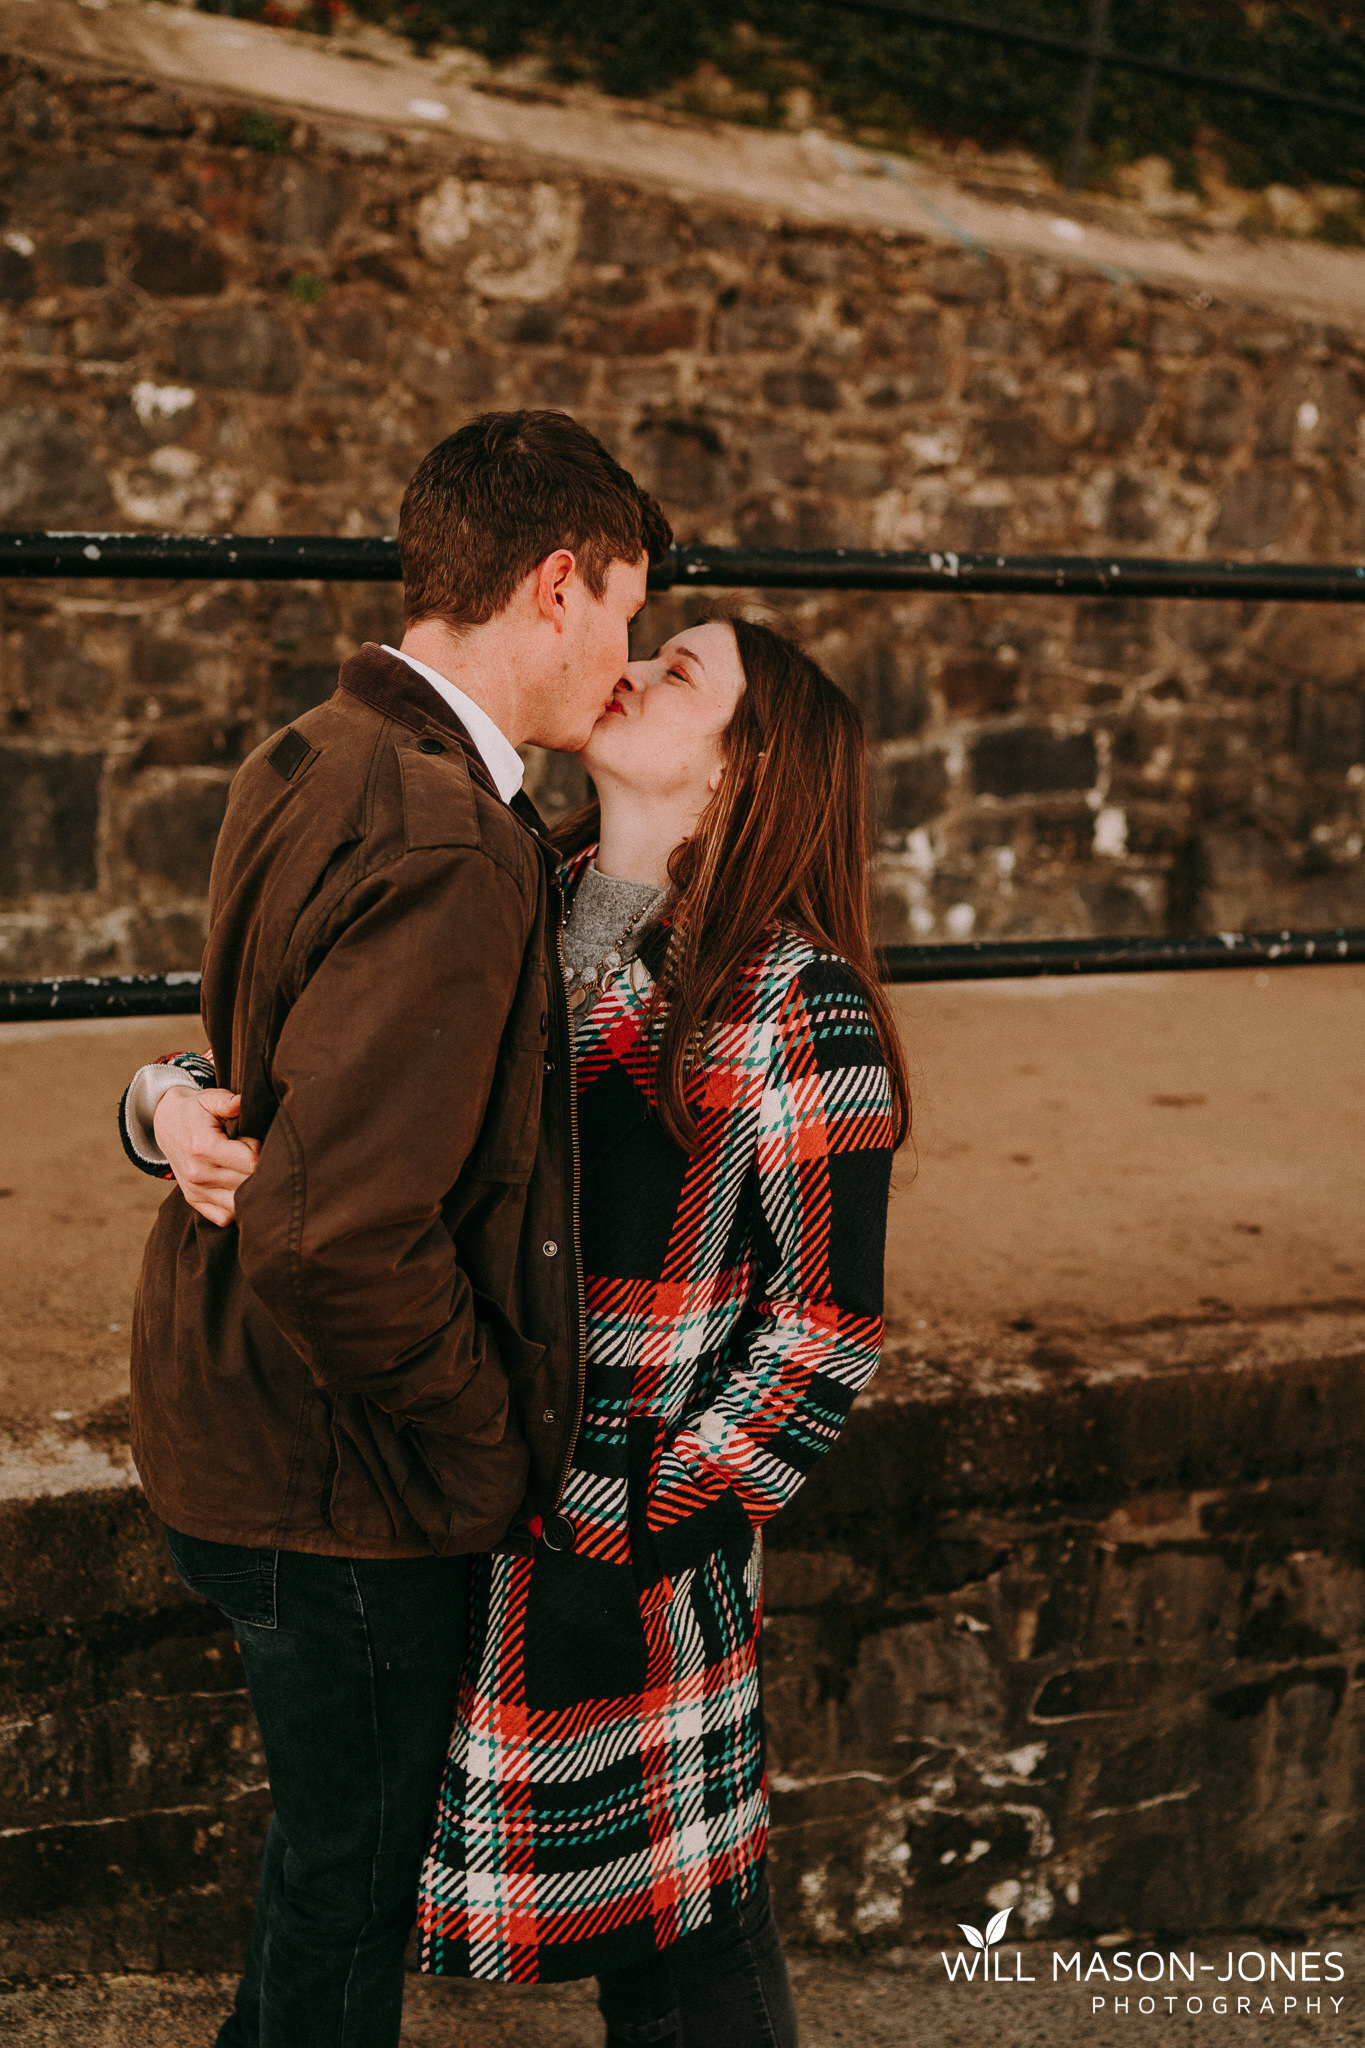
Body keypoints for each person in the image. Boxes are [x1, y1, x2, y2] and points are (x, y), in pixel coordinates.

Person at [136, 614, 912, 2048]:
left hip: (613, 1551)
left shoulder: (796, 1010)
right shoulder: (493, 880)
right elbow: (301, 1061)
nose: (634, 662)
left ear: (745, 772)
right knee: (335, 1872)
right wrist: (168, 1102)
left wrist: (631, 1520)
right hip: (417, 1496)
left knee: (686, 1935)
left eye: (682, 672)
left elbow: (818, 1337)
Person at [120, 408, 671, 2048]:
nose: (624, 656)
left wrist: (162, 1100)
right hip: (336, 1482)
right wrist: (485, 1444)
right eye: (628, 610)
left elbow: (273, 1084)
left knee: (320, 1875)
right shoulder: (447, 836)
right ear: (555, 585)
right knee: (348, 1908)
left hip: (236, 1421)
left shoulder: (316, 745)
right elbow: (336, 1236)